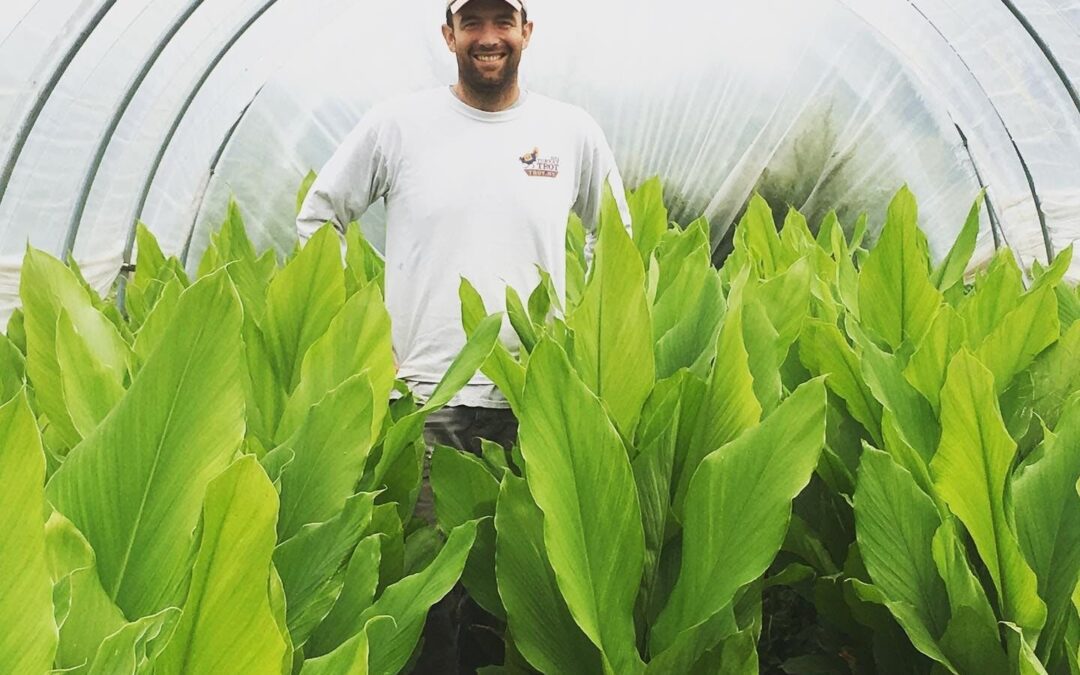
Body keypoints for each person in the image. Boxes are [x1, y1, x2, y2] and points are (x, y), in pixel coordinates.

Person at [296, 0, 632, 670]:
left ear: (526, 32)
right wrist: (361, 334)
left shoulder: (569, 131)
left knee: (523, 610)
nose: (488, 37)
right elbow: (320, 215)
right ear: (448, 33)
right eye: (471, 23)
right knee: (431, 610)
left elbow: (614, 240)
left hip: (538, 405)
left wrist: (587, 339)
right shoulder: (399, 125)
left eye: (502, 21)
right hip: (427, 403)